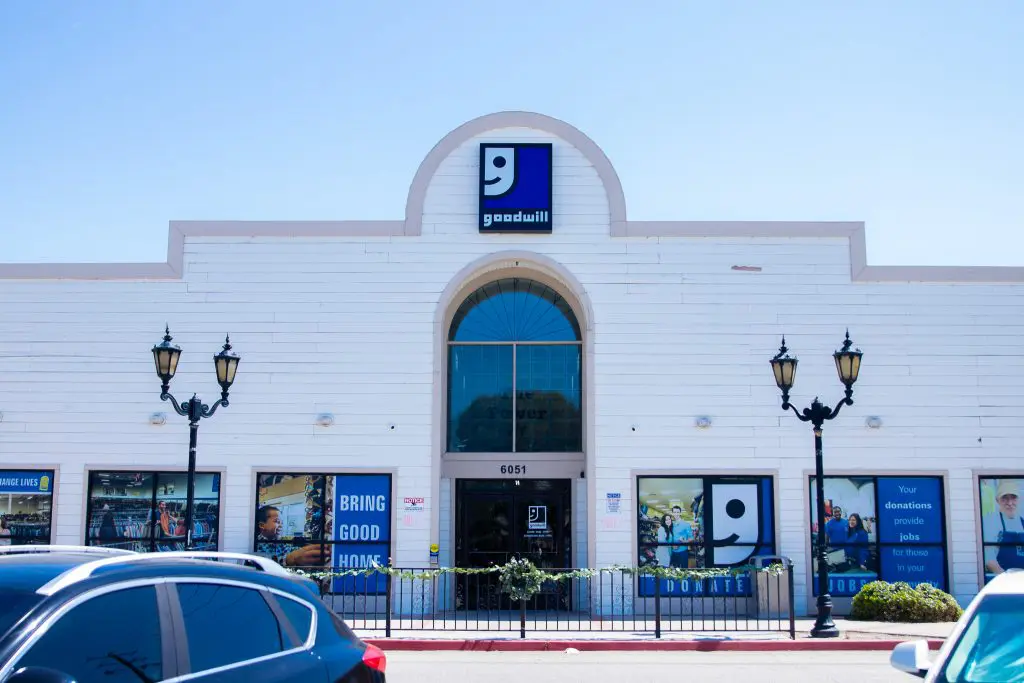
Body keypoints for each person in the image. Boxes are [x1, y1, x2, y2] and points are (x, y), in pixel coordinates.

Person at [255, 504, 328, 568]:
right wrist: (288, 559)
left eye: (281, 522)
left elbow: (292, 550)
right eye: (277, 521)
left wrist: (304, 550)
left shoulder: (279, 542)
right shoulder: (256, 546)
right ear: (262, 525)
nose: (281, 525)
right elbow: (266, 565)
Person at [983, 479, 1024, 574]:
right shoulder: (991, 522)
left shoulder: (1022, 522)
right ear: (997, 500)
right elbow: (988, 558)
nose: (1010, 503)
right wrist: (1005, 578)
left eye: (1013, 497)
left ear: (1019, 499)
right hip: (1001, 580)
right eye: (1005, 498)